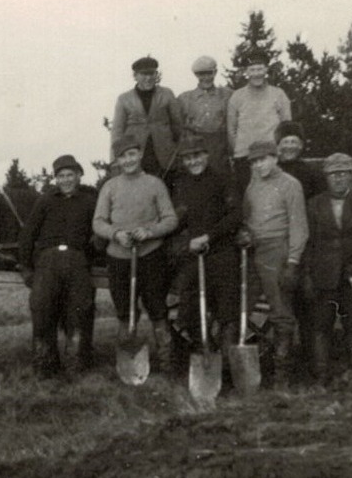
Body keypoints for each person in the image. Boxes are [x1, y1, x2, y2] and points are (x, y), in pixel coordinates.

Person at [93, 135, 178, 370]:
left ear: (139, 155)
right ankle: (128, 361)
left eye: (132, 154)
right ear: (117, 160)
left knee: (157, 309)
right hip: (119, 258)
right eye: (123, 156)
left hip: (150, 256)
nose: (128, 160)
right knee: (124, 311)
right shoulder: (110, 187)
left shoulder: (154, 184)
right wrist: (115, 233)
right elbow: (98, 222)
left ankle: (166, 361)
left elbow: (171, 219)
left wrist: (149, 231)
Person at [304, 154, 352, 383]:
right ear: (326, 178)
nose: (338, 179)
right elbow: (307, 242)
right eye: (333, 175)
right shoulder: (314, 204)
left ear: (350, 176)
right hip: (324, 275)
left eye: (343, 174)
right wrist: (308, 274)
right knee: (321, 324)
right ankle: (321, 374)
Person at [18, 155, 97, 379]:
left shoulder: (90, 201)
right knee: (42, 309)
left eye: (70, 175)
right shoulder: (45, 201)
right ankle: (44, 365)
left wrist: (87, 255)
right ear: (56, 179)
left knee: (79, 310)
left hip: (77, 260)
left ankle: (76, 365)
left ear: (79, 175)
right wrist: (25, 267)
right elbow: (28, 234)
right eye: (61, 176)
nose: (66, 180)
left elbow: (98, 232)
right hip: (48, 261)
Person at [238, 140, 308, 387]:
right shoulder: (253, 186)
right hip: (253, 250)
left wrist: (292, 262)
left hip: (278, 250)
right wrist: (245, 233)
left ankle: (282, 376)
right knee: (240, 306)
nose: (259, 165)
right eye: (255, 161)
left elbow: (299, 226)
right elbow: (246, 218)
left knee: (280, 312)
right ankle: (240, 368)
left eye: (264, 159)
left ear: (275, 157)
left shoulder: (290, 185)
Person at [170, 135, 241, 365]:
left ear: (206, 156)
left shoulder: (222, 180)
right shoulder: (181, 186)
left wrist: (210, 236)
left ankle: (228, 364)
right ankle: (204, 354)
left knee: (227, 310)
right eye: (188, 158)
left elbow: (235, 215)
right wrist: (186, 242)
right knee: (189, 308)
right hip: (194, 254)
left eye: (197, 156)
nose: (193, 162)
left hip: (222, 252)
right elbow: (178, 219)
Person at [273, 120, 327, 369]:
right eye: (285, 142)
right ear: (278, 145)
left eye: (294, 142)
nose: (290, 147)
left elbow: (319, 209)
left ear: (301, 145)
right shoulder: (271, 172)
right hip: (278, 242)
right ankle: (284, 359)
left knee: (308, 299)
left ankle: (314, 362)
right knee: (283, 302)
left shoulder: (312, 174)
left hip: (306, 242)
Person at [227, 52, 292, 200]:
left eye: (259, 69)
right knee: (248, 198)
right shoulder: (237, 96)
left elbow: (287, 127)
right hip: (245, 157)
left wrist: (280, 152)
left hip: (271, 155)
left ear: (266, 70)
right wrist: (238, 152)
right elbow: (231, 130)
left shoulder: (278, 94)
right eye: (252, 70)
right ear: (246, 72)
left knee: (273, 197)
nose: (256, 74)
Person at [111, 56, 183, 178]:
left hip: (165, 156)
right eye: (144, 74)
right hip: (136, 156)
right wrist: (114, 161)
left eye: (152, 73)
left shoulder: (167, 94)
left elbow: (177, 125)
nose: (148, 78)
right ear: (135, 76)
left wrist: (177, 151)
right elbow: (117, 132)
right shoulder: (124, 99)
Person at [177, 56, 234, 173]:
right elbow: (178, 125)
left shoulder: (227, 95)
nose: (206, 78)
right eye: (201, 74)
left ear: (215, 72)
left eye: (209, 73)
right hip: (196, 146)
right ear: (196, 75)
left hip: (220, 146)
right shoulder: (185, 98)